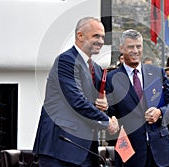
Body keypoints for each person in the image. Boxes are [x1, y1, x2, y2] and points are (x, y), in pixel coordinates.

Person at [33, 17, 119, 167]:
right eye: (96, 36)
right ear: (80, 36)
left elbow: (101, 101)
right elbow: (77, 101)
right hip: (59, 149)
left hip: (85, 150)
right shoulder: (66, 61)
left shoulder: (97, 69)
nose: (100, 41)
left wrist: (106, 107)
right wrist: (107, 122)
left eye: (103, 37)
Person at [106, 29, 169, 167]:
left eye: (138, 46)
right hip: (130, 154)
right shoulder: (111, 79)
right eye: (131, 47)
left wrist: (160, 113)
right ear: (121, 48)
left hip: (160, 152)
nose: (135, 50)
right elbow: (110, 114)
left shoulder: (157, 72)